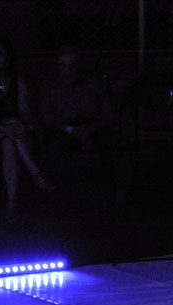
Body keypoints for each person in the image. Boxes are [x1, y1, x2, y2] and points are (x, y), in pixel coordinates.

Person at [0, 36, 51, 220]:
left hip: (16, 132)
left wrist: (20, 126)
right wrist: (4, 127)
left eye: (1, 54)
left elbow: (23, 110)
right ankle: (35, 173)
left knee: (9, 143)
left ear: (8, 58)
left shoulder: (17, 80)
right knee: (10, 129)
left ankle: (11, 204)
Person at [38, 44, 120, 201]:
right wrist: (70, 130)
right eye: (63, 66)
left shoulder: (94, 83)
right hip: (63, 128)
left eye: (72, 65)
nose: (67, 71)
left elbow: (108, 113)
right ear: (57, 66)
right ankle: (57, 196)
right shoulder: (49, 85)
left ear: (79, 65)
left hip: (93, 125)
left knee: (113, 143)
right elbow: (47, 116)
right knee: (55, 149)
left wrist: (90, 128)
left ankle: (117, 193)